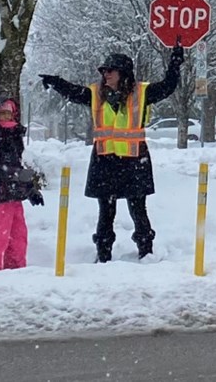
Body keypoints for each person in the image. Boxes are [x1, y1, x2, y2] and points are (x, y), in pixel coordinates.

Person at [40, 44, 183, 262]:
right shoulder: (96, 94)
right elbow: (74, 92)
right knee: (106, 212)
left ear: (123, 73)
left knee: (138, 210)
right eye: (103, 71)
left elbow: (168, 86)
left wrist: (175, 62)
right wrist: (56, 81)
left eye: (110, 70)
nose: (105, 75)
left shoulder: (141, 93)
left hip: (134, 161)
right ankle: (103, 253)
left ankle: (146, 251)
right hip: (105, 161)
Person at [0, 96, 44, 271]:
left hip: (15, 196)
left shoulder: (13, 137)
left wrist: (30, 189)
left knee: (18, 238)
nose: (7, 118)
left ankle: (16, 271)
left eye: (9, 114)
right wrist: (14, 174)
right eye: (2, 114)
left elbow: (17, 166)